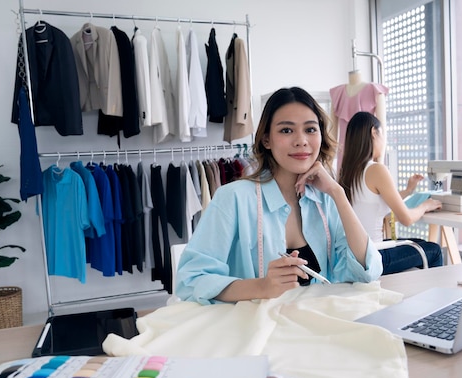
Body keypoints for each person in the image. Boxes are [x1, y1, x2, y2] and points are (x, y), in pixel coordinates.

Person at [176, 87, 383, 305]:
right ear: (266, 140)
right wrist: (262, 286)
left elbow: (367, 269)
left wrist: (338, 193)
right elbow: (190, 280)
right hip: (254, 330)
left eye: (311, 130)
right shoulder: (233, 198)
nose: (301, 140)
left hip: (316, 325)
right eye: (286, 130)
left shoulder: (326, 200)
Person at [338, 111, 443, 274]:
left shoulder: (348, 172)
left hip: (352, 257)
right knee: (434, 250)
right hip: (375, 256)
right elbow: (406, 219)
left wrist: (408, 190)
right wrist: (425, 206)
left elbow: (372, 202)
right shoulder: (376, 169)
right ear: (374, 132)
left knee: (417, 243)